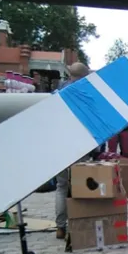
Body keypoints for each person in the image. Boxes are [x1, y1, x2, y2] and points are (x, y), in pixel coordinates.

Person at [54, 62, 91, 240]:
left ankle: (60, 227)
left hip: (60, 144)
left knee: (61, 187)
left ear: (70, 75)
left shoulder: (58, 93)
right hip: (80, 143)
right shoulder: (87, 93)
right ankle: (78, 222)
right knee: (78, 186)